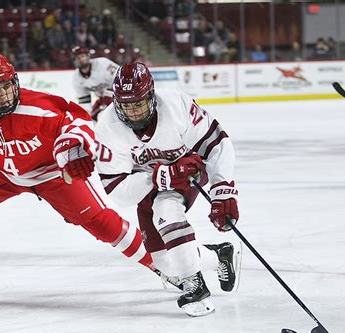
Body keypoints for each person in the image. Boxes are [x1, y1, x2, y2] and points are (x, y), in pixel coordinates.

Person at [0, 52, 153, 304]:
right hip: (1, 169)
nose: (3, 95)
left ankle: (161, 264)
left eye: (6, 87)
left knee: (102, 223)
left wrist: (72, 144)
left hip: (49, 172)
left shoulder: (36, 108)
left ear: (15, 83)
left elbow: (76, 119)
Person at [94, 62, 241, 317]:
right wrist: (159, 177)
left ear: (151, 95)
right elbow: (118, 190)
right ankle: (218, 255)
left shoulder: (176, 106)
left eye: (138, 103)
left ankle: (197, 288)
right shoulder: (107, 128)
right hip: (148, 183)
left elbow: (217, 144)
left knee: (166, 208)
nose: (133, 112)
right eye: (126, 105)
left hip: (190, 169)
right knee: (164, 264)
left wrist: (223, 189)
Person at [71, 46, 119, 122]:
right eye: (78, 58)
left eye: (82, 56)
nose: (81, 59)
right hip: (103, 100)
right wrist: (86, 115)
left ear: (88, 56)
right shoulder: (76, 78)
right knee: (92, 119)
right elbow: (84, 101)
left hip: (119, 96)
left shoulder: (103, 63)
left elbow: (121, 78)